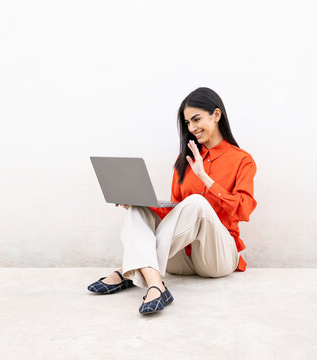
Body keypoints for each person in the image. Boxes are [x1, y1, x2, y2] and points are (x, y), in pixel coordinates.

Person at [87, 87, 257, 315]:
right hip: (181, 260)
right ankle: (156, 284)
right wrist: (139, 202)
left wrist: (205, 179)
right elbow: (175, 214)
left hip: (217, 258)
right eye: (187, 122)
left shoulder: (242, 160)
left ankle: (129, 269)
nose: (192, 128)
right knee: (138, 211)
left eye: (196, 119)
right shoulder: (183, 159)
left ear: (216, 115)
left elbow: (244, 210)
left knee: (197, 202)